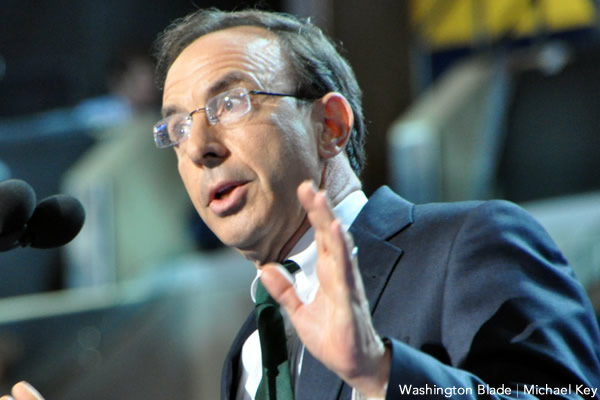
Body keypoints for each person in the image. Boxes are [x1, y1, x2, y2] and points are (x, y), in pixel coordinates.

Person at [3, 7, 600, 400]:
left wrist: (382, 373)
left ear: (330, 126)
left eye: (229, 103)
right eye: (177, 128)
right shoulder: (247, 354)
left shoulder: (469, 244)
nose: (200, 148)